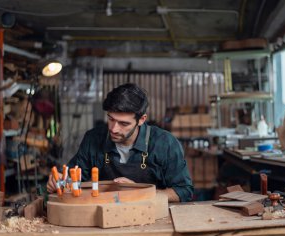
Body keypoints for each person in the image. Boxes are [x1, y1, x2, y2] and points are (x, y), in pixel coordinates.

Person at [47, 83, 193, 202]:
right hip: (107, 214)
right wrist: (60, 181)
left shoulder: (165, 143)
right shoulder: (93, 138)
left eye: (123, 123)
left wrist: (142, 192)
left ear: (141, 119)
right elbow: (75, 179)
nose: (113, 129)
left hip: (152, 217)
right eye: (111, 119)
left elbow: (183, 191)